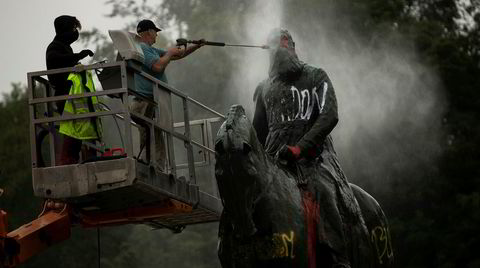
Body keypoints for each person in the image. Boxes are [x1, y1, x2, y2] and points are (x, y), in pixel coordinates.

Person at [252, 29, 370, 267]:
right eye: (276, 44)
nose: (282, 48)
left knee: (323, 191)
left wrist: (299, 148)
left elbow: (329, 116)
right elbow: (258, 132)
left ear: (293, 46)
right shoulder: (264, 88)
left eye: (286, 42)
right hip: (276, 160)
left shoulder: (316, 76)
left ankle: (339, 259)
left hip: (315, 159)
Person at [132, 19, 204, 173]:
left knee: (154, 136)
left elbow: (176, 56)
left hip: (150, 101)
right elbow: (158, 66)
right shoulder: (142, 48)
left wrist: (195, 46)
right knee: (152, 138)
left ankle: (155, 169)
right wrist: (171, 52)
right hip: (145, 102)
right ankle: (154, 171)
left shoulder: (150, 50)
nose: (156, 36)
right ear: (149, 32)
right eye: (155, 32)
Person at [46, 15, 95, 165]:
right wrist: (77, 56)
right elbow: (55, 59)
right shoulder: (55, 46)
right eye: (73, 28)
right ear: (64, 29)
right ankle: (67, 160)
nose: (75, 32)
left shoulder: (66, 47)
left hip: (71, 95)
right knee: (72, 129)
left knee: (79, 127)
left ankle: (77, 158)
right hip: (63, 95)